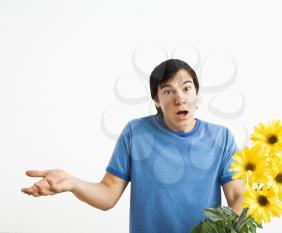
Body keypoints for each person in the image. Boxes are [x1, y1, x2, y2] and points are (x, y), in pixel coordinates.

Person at [22, 59, 245, 233]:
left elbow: (237, 195)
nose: (180, 98)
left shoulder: (221, 137)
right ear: (157, 100)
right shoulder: (135, 133)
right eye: (168, 91)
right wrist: (72, 183)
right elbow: (108, 194)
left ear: (196, 95)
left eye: (186, 88)